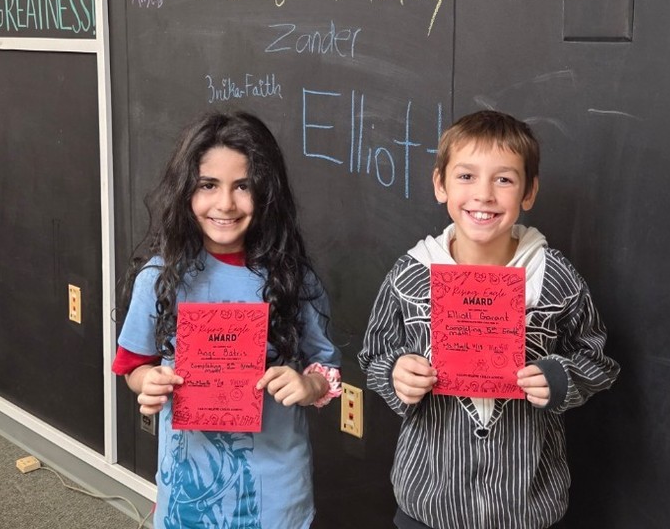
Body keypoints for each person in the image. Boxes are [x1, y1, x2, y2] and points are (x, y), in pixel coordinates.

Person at [359, 109, 619, 529]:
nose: (484, 194)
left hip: (527, 506)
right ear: (440, 184)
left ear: (528, 192)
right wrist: (395, 374)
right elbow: (373, 356)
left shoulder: (555, 278)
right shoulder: (409, 275)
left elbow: (598, 360)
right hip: (428, 505)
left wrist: (561, 378)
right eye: (466, 176)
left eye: (504, 179)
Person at [113, 110, 342, 529]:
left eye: (243, 186)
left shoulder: (292, 278)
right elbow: (134, 367)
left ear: (266, 193)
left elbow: (326, 369)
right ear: (186, 191)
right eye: (208, 186)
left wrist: (309, 385)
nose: (225, 204)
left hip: (276, 494)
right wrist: (148, 383)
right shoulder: (159, 279)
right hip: (188, 494)